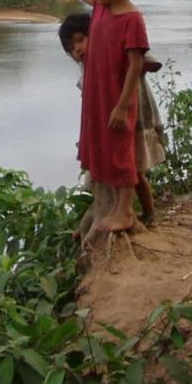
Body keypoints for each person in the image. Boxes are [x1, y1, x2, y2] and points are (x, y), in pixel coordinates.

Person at [67, 0, 150, 243]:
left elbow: (136, 65)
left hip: (117, 100)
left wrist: (122, 105)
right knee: (102, 148)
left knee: (121, 152)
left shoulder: (132, 19)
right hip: (97, 96)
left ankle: (125, 211)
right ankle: (113, 208)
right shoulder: (101, 7)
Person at [57, 12, 166, 226]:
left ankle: (148, 214)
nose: (77, 49)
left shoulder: (116, 54)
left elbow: (147, 61)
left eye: (81, 40)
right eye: (71, 48)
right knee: (124, 172)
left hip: (135, 122)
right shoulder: (86, 75)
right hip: (110, 129)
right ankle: (129, 212)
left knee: (136, 171)